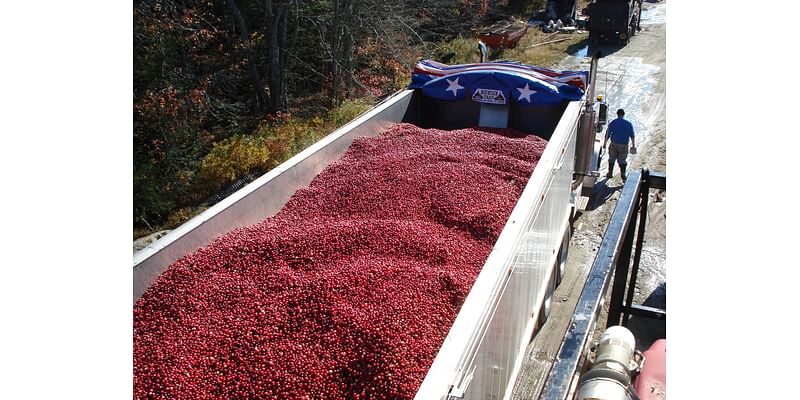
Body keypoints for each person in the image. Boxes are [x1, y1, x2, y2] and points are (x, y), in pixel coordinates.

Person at [603, 108, 636, 181]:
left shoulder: (613, 122)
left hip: (614, 144)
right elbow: (632, 135)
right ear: (623, 114)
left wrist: (605, 143)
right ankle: (623, 175)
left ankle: (610, 173)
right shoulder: (628, 124)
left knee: (612, 158)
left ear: (617, 114)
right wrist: (633, 146)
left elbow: (607, 134)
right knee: (622, 160)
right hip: (624, 145)